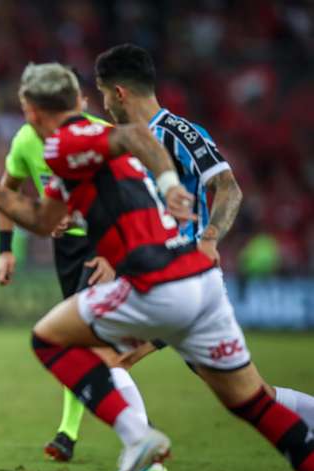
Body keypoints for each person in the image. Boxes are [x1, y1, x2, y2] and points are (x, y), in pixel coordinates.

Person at [0, 62, 314, 471]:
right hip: (201, 283)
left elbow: (135, 135)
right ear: (80, 100)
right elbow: (44, 219)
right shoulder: (70, 151)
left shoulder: (72, 138)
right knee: (254, 403)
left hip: (156, 283)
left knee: (50, 339)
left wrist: (168, 181)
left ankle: (137, 437)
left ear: (30, 111)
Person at [93, 42, 314, 431]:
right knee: (251, 396)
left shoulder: (179, 133)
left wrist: (209, 237)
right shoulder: (123, 142)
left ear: (119, 92)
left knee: (105, 358)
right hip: (162, 280)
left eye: (103, 93)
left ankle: (147, 459)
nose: (104, 104)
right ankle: (146, 458)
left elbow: (229, 188)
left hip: (182, 278)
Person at [0, 82, 174, 471]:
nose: (35, 120)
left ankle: (113, 446)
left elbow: (136, 195)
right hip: (69, 251)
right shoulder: (26, 141)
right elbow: (9, 193)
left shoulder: (101, 135)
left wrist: (115, 253)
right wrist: (7, 250)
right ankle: (124, 443)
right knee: (89, 347)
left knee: (88, 347)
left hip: (107, 245)